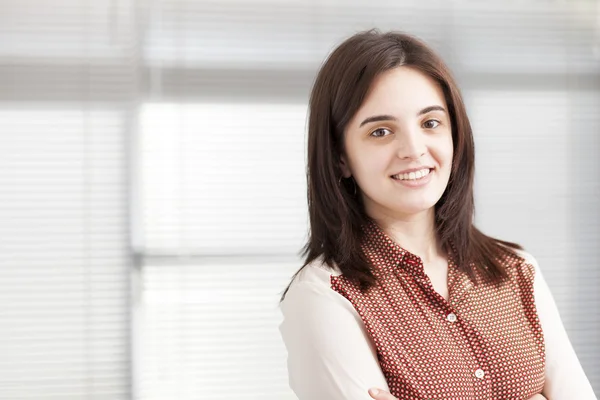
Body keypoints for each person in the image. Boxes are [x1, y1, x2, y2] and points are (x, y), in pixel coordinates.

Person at [278, 29, 597, 400]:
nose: (413, 149)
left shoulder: (515, 269)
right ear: (340, 157)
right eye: (381, 131)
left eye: (430, 123)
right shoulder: (323, 295)